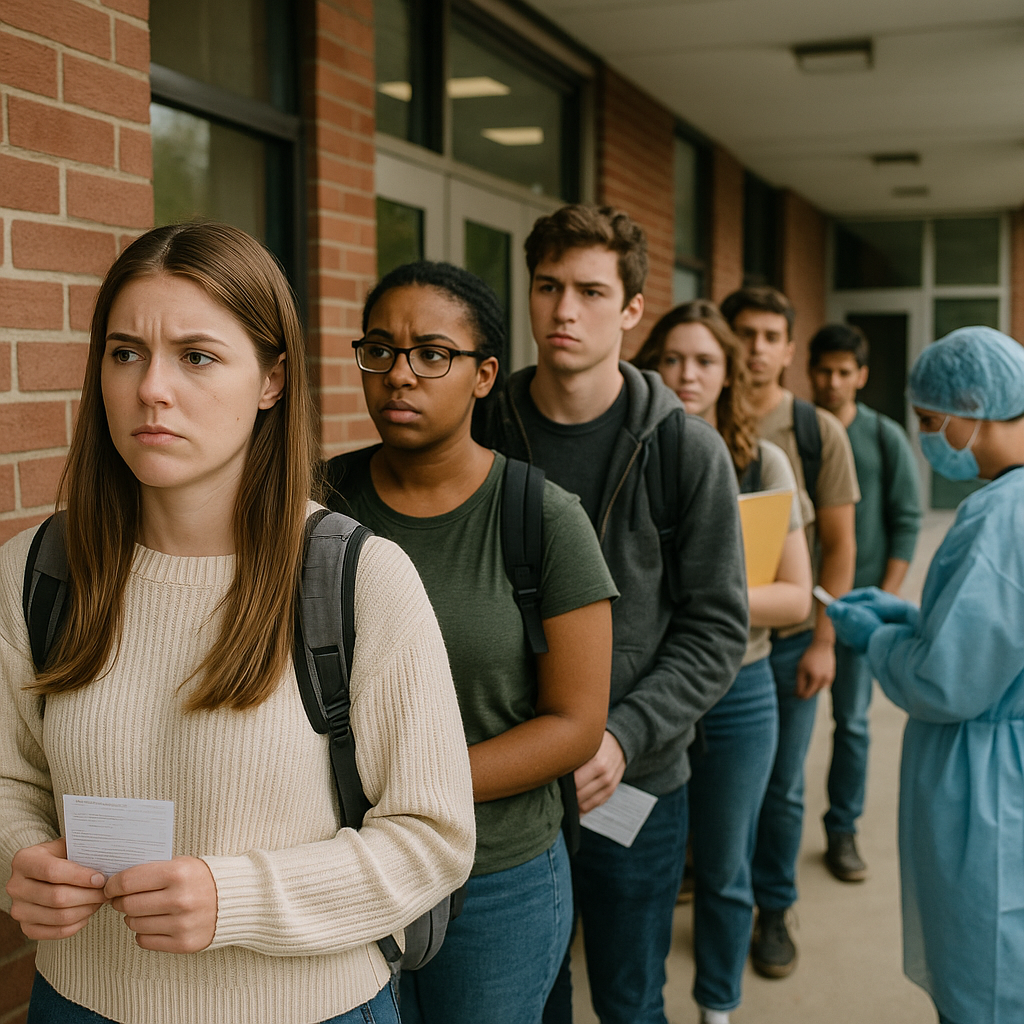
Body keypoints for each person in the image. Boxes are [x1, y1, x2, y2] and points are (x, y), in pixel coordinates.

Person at [0, 223, 476, 1024]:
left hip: (307, 1009)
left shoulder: (360, 579)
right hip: (78, 1003)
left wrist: (237, 898)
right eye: (125, 353)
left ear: (271, 380)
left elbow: (433, 839)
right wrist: (22, 854)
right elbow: (11, 778)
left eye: (197, 356)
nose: (152, 388)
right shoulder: (34, 570)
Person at [324, 260, 618, 1024]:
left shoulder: (542, 518)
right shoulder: (315, 505)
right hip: (345, 864)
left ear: (484, 374)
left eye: (432, 353)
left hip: (496, 878)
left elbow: (577, 723)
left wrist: (408, 782)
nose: (399, 375)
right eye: (380, 350)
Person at [476, 205, 749, 1024]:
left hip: (635, 782)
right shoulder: (484, 426)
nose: (564, 310)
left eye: (592, 291)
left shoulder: (683, 448)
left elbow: (715, 629)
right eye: (548, 286)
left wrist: (624, 733)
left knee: (630, 999)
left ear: (632, 310)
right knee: (531, 998)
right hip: (507, 785)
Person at [827, 325, 1024, 1024]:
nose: (928, 437)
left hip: (990, 782)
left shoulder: (1002, 517)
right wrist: (911, 620)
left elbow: (949, 682)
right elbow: (997, 638)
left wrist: (877, 641)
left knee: (989, 974)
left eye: (932, 421)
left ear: (975, 406)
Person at [633, 300, 812, 1024]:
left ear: (730, 372)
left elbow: (796, 595)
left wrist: (707, 601)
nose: (687, 374)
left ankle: (718, 1007)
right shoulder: (630, 455)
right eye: (672, 358)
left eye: (705, 360)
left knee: (726, 866)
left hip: (739, 691)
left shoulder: (761, 460)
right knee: (642, 866)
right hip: (644, 693)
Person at [720, 286, 859, 979]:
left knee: (781, 787)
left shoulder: (813, 432)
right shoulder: (698, 416)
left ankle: (773, 908)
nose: (756, 347)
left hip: (791, 641)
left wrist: (826, 640)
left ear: (789, 349)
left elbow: (838, 546)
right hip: (717, 643)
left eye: (770, 335)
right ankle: (723, 888)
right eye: (743, 332)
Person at [808, 324, 921, 881]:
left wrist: (885, 600)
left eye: (843, 372)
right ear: (809, 372)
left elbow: (906, 522)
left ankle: (842, 831)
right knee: (789, 733)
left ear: (862, 376)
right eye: (824, 371)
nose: (832, 382)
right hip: (795, 611)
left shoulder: (884, 437)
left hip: (857, 616)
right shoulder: (801, 431)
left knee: (851, 724)